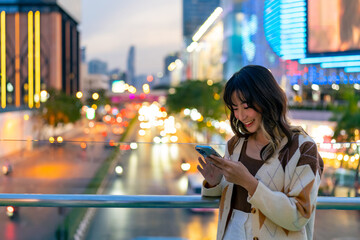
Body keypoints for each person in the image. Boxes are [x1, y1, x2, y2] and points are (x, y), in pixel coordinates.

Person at [197, 65, 324, 240]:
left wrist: (250, 183)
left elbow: (299, 215)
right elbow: (230, 200)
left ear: (266, 98)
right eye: (235, 108)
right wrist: (214, 184)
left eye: (246, 106)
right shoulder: (236, 144)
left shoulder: (302, 148)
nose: (241, 116)